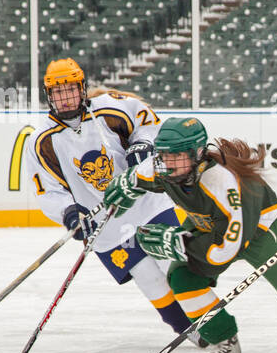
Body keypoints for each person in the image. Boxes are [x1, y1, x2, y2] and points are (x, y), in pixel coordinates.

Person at [103, 116, 277, 353]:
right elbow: (138, 176)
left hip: (261, 229)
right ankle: (225, 344)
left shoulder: (222, 181)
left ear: (198, 154)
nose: (169, 164)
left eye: (177, 156)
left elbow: (228, 246)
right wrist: (125, 186)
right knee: (184, 279)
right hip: (210, 226)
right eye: (164, 156)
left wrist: (181, 244)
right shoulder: (166, 166)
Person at [22, 58, 189, 337]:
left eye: (70, 90)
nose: (65, 98)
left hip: (146, 202)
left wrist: (143, 143)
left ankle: (210, 319)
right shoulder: (41, 140)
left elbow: (147, 121)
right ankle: (186, 329)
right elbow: (48, 190)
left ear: (83, 88)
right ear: (48, 96)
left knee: (175, 265)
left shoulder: (112, 107)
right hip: (105, 224)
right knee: (148, 277)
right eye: (58, 92)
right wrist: (69, 213)